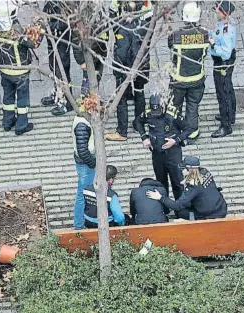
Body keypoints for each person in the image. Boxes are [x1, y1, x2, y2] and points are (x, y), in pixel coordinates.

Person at [0, 0, 44, 135]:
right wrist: (41, 27)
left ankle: (7, 122)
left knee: (8, 98)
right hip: (19, 71)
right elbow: (33, 44)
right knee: (22, 99)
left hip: (4, 69)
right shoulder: (16, 31)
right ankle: (21, 125)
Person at [105, 1, 150, 141]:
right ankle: (139, 123)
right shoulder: (145, 26)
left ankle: (122, 132)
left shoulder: (120, 27)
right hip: (141, 67)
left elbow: (123, 53)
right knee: (139, 93)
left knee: (121, 98)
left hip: (125, 68)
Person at [166, 2, 209, 142]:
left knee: (175, 106)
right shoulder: (204, 34)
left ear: (184, 17)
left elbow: (169, 45)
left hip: (179, 80)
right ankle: (192, 132)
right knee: (193, 105)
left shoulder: (177, 35)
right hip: (197, 79)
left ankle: (173, 130)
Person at [135, 93, 186, 200]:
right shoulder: (148, 113)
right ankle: (164, 209)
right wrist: (144, 137)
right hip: (157, 153)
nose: (156, 114)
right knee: (160, 182)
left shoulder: (173, 114)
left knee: (177, 182)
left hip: (173, 153)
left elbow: (189, 129)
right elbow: (138, 122)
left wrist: (175, 140)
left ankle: (180, 209)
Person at [146, 156, 227, 220]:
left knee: (180, 212)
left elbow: (177, 205)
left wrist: (160, 197)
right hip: (221, 207)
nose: (181, 171)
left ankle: (194, 221)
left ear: (188, 169)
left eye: (183, 168)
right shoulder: (205, 172)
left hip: (209, 215)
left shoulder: (192, 185)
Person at [209, 0, 237, 138]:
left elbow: (225, 53)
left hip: (223, 62)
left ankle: (226, 126)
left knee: (223, 93)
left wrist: (213, 45)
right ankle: (230, 115)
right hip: (227, 60)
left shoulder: (226, 30)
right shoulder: (226, 23)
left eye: (218, 10)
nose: (215, 12)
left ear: (224, 13)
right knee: (228, 88)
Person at [42, 1, 73, 116]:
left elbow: (67, 21)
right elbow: (46, 11)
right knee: (53, 67)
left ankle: (66, 102)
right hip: (52, 39)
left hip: (62, 40)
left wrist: (49, 25)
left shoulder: (65, 3)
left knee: (62, 70)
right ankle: (57, 94)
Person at [72, 111, 96, 230]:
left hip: (86, 163)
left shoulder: (83, 120)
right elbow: (82, 150)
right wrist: (93, 163)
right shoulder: (82, 125)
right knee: (82, 194)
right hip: (86, 164)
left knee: (84, 193)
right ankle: (79, 225)